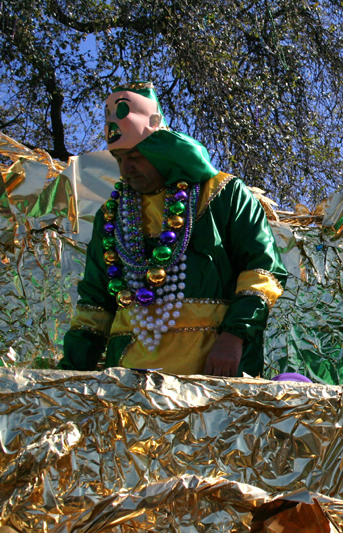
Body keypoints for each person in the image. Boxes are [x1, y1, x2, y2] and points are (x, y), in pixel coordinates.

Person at [60, 81, 287, 377]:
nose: (126, 169)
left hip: (214, 373)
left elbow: (262, 269)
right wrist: (68, 376)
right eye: (119, 159)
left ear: (163, 152)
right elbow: (95, 306)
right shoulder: (111, 216)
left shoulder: (223, 194)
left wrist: (234, 337)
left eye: (136, 157)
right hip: (130, 382)